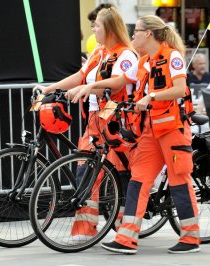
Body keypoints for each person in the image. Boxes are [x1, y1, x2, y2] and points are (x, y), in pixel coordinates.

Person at [67, 15, 200, 254]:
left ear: (148, 34)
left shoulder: (173, 57)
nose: (132, 36)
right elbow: (119, 80)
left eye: (136, 31)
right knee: (138, 181)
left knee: (179, 181)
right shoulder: (144, 61)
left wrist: (152, 97)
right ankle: (126, 238)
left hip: (172, 130)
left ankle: (190, 238)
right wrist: (89, 86)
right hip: (150, 131)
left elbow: (180, 89)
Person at [40, 7, 138, 240]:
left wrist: (88, 88)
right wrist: (50, 88)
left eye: (97, 26)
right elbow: (80, 76)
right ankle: (85, 229)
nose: (93, 29)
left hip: (116, 119)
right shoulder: (99, 52)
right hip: (95, 119)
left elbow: (117, 83)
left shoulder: (126, 54)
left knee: (120, 172)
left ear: (110, 29)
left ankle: (124, 228)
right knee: (84, 169)